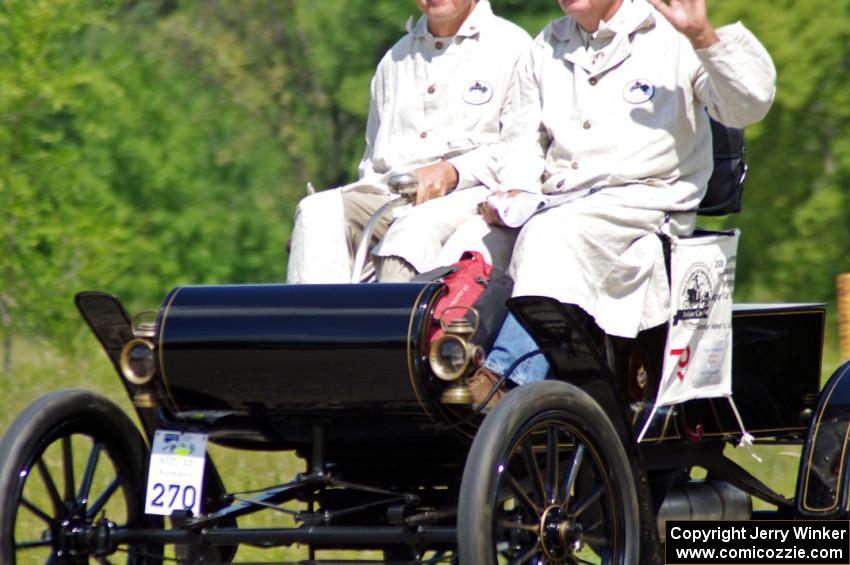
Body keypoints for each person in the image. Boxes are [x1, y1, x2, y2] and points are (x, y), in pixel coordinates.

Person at [463, 0, 776, 405]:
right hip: (560, 204)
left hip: (646, 206)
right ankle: (445, 364)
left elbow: (749, 105)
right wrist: (517, 192)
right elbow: (522, 141)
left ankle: (509, 379)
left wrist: (703, 37)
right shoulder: (546, 45)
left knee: (550, 235)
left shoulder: (672, 36)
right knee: (475, 234)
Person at [286, 0, 530, 284]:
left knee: (410, 234)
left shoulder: (513, 48)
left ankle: (394, 325)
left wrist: (452, 171)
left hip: (469, 197)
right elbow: (372, 161)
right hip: (389, 196)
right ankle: (315, 325)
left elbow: (524, 149)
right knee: (316, 211)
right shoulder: (394, 59)